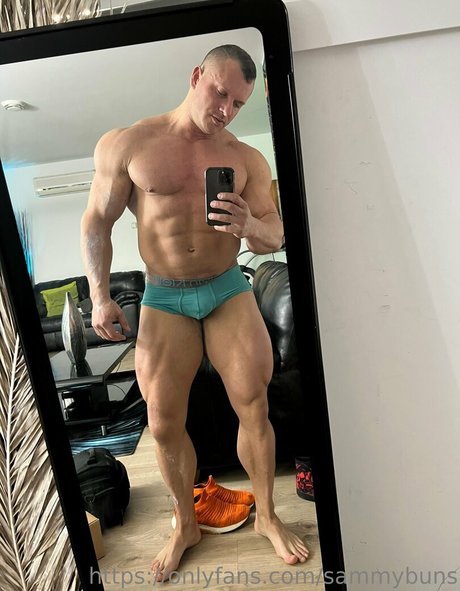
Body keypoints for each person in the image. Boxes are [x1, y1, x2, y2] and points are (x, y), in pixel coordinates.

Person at [81, 44, 309, 581]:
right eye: (220, 93)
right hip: (164, 296)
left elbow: (277, 233)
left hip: (227, 289)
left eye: (239, 103)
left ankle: (267, 517)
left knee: (253, 405)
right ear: (196, 76)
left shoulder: (247, 159)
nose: (226, 110)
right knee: (162, 423)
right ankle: (185, 524)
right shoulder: (128, 144)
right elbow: (96, 222)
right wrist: (99, 295)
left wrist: (250, 225)